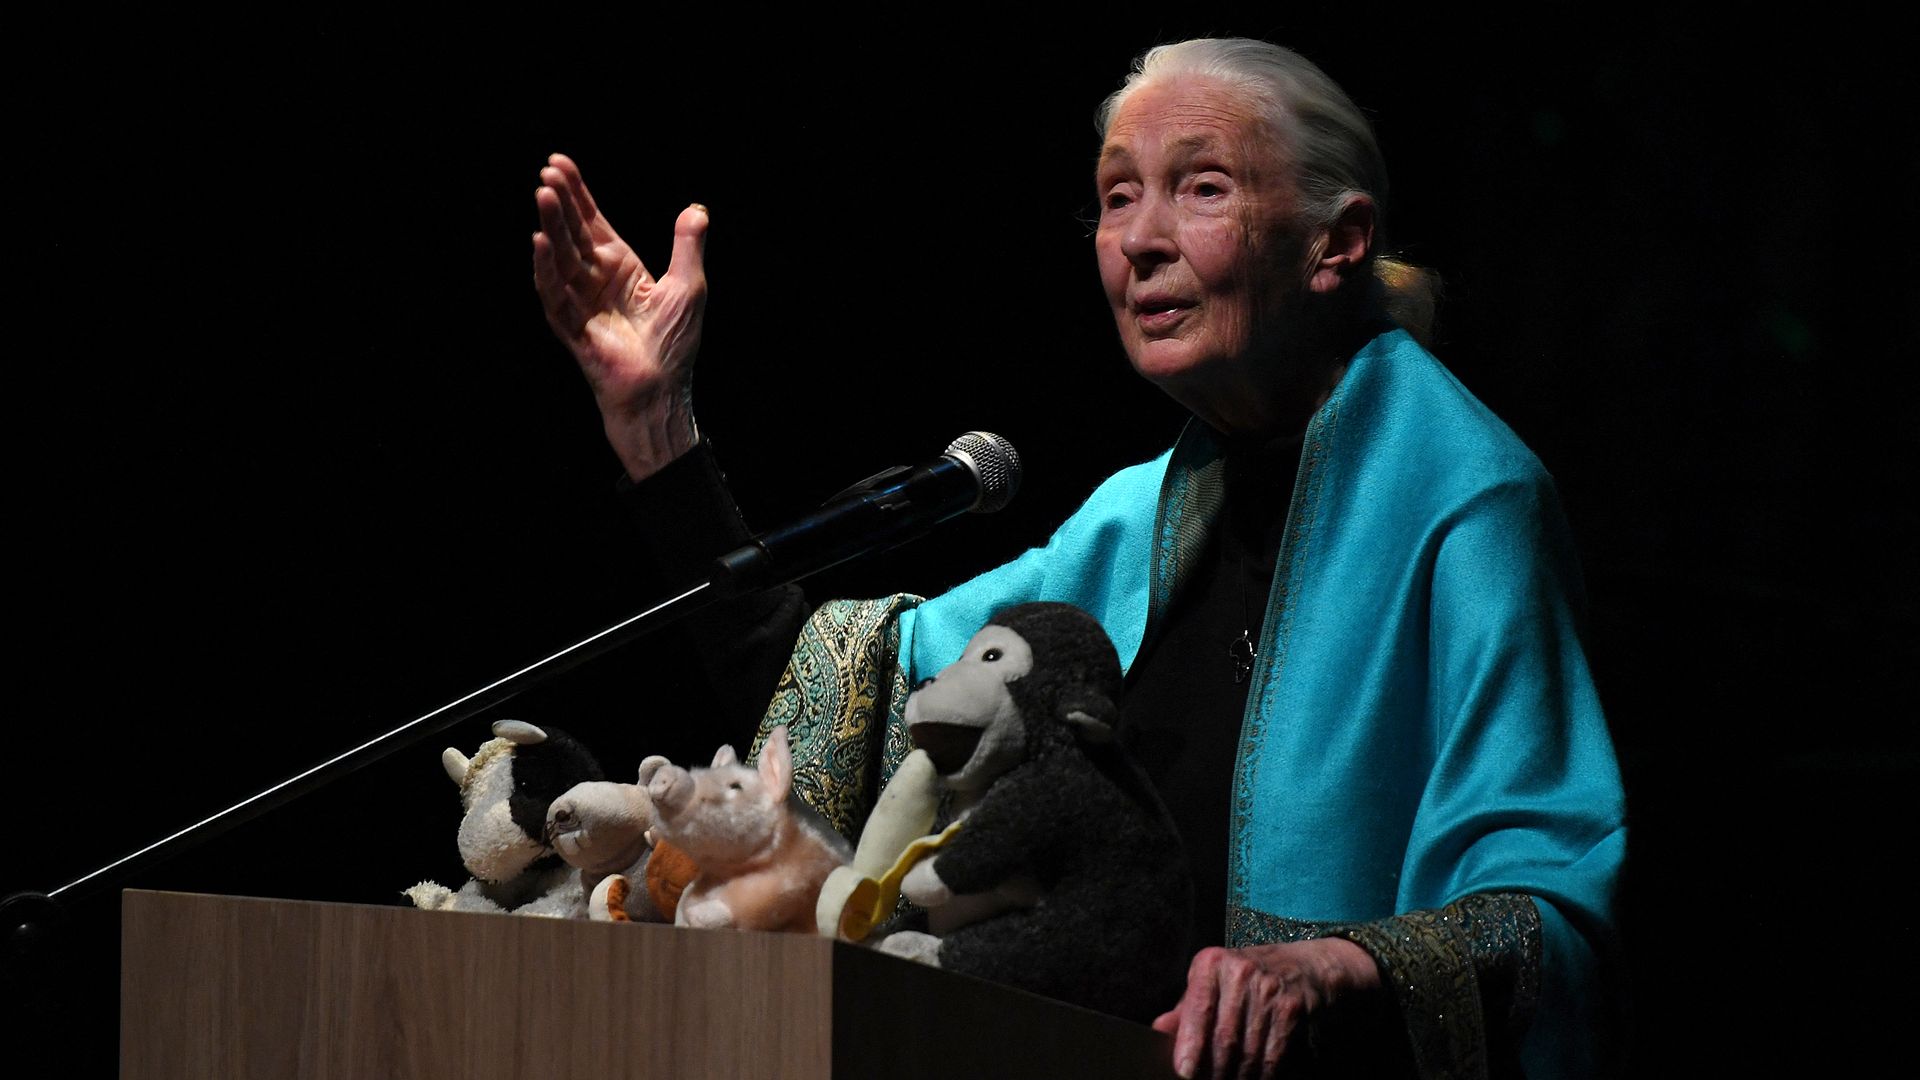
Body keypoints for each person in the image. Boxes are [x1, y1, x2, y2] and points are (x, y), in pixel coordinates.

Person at [532, 38, 1625, 1080]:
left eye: (1201, 188)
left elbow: (1548, 912)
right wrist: (659, 435)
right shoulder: (1135, 520)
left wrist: (1329, 968)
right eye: (1115, 196)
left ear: (1335, 241)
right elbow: (841, 704)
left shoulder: (1468, 500)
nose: (1141, 237)